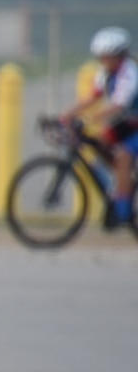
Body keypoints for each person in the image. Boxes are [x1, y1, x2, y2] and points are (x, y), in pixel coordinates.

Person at [62, 26, 137, 224]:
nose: (104, 61)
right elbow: (92, 97)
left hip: (133, 122)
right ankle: (123, 181)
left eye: (108, 57)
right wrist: (67, 114)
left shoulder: (129, 73)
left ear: (119, 55)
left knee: (123, 156)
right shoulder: (105, 73)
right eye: (101, 57)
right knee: (99, 142)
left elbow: (118, 106)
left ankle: (123, 208)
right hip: (129, 122)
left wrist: (88, 119)